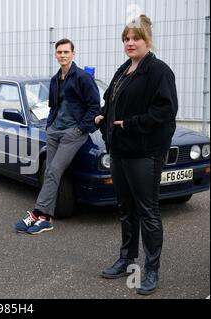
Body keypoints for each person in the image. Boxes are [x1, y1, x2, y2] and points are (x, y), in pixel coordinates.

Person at [95, 15, 178, 296]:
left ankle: (151, 269)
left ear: (147, 40)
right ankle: (127, 259)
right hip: (119, 151)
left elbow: (165, 112)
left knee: (148, 212)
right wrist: (104, 116)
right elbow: (112, 100)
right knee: (125, 209)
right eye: (126, 39)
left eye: (136, 38)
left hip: (145, 153)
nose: (130, 43)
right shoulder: (124, 70)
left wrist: (130, 124)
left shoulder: (158, 71)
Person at [15, 39, 100, 234]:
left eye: (66, 52)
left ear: (73, 54)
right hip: (54, 131)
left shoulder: (82, 78)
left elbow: (95, 105)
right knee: (49, 172)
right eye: (59, 52)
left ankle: (39, 214)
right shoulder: (55, 79)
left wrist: (80, 129)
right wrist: (49, 125)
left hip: (73, 134)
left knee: (53, 170)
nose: (62, 55)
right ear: (56, 55)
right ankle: (45, 216)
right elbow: (53, 106)